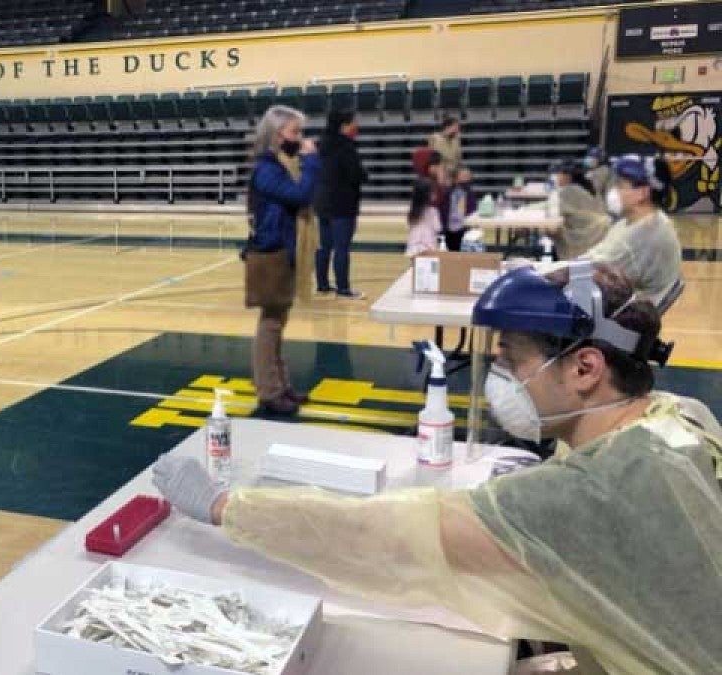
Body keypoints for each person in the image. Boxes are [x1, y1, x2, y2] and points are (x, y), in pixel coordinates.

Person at [152, 262, 722, 675]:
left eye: (510, 361)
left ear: (585, 368)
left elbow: (390, 537)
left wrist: (230, 507)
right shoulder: (680, 419)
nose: (500, 378)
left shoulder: (592, 490)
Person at [243, 105, 320, 416]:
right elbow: (300, 195)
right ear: (277, 135)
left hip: (282, 248)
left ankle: (280, 385)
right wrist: (312, 160)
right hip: (271, 250)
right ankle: (269, 390)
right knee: (271, 324)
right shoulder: (267, 169)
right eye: (294, 132)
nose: (299, 139)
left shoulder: (282, 164)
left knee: (278, 322)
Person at [582, 155, 682, 308]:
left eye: (621, 186)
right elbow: (594, 259)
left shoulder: (644, 234)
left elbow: (587, 275)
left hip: (623, 317)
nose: (614, 191)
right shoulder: (636, 222)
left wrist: (540, 271)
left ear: (642, 192)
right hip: (626, 307)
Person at [313, 110, 368, 299]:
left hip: (323, 201)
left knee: (324, 246)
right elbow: (355, 175)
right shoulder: (346, 147)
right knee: (342, 247)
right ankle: (343, 288)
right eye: (354, 122)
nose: (356, 125)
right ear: (344, 126)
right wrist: (363, 174)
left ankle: (322, 284)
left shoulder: (323, 145)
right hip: (343, 203)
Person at [550, 159, 610, 260]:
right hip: (596, 237)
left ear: (567, 176)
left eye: (557, 174)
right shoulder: (587, 188)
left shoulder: (569, 191)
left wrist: (524, 209)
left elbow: (551, 208)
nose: (555, 177)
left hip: (583, 239)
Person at [405, 178, 442, 256]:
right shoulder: (433, 211)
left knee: (415, 267)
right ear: (427, 194)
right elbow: (438, 228)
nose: (435, 193)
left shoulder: (412, 212)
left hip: (413, 247)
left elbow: (408, 227)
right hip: (428, 247)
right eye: (433, 191)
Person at [443, 165, 476, 252]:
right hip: (450, 229)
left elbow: (473, 209)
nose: (467, 179)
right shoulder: (448, 192)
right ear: (455, 179)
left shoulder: (470, 193)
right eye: (464, 176)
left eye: (469, 176)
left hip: (465, 227)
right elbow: (445, 210)